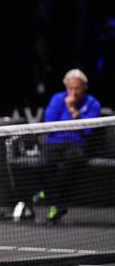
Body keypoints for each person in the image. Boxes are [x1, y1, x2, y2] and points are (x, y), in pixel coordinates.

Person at [40, 68, 101, 222]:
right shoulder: (57, 99)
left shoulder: (93, 103)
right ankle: (57, 203)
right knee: (46, 164)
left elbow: (88, 129)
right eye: (70, 88)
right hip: (55, 143)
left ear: (85, 87)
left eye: (77, 88)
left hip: (76, 144)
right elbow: (49, 122)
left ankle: (54, 201)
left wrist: (73, 110)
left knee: (67, 166)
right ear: (66, 87)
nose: (73, 92)